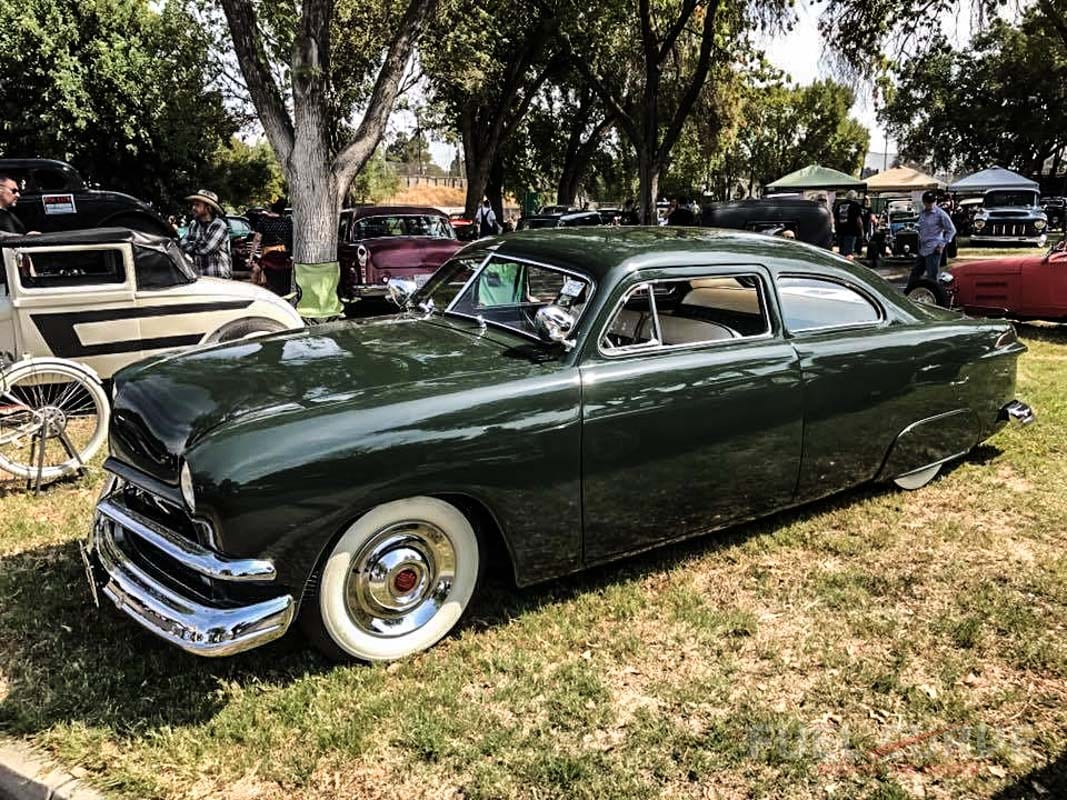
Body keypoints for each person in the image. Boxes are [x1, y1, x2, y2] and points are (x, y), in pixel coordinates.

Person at [179, 189, 231, 278]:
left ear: (208, 208)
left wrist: (190, 244)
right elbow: (182, 243)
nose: (193, 208)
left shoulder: (219, 225)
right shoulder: (193, 224)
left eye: (197, 205)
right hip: (200, 277)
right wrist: (194, 244)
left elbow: (205, 249)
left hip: (219, 279)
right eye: (194, 205)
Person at [909, 190, 956, 285]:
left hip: (934, 248)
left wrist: (942, 244)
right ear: (924, 202)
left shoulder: (940, 214)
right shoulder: (923, 213)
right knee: (915, 273)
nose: (930, 204)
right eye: (928, 202)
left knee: (932, 276)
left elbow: (951, 230)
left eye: (932, 202)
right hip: (923, 248)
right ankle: (909, 291)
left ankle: (933, 294)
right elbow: (922, 225)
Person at [838, 190, 864, 259]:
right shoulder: (855, 205)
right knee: (848, 253)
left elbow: (835, 218)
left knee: (841, 252)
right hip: (851, 231)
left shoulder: (840, 204)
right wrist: (861, 230)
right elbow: (858, 219)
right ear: (855, 197)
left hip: (840, 231)